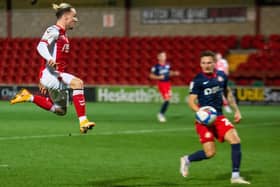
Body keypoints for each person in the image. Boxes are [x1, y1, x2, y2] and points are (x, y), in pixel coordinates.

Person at [10, 3, 95, 134]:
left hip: (54, 75)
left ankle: (29, 97)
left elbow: (45, 56)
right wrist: (50, 60)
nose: (75, 20)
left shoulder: (63, 34)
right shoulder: (53, 30)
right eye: (74, 17)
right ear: (66, 17)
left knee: (61, 111)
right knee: (78, 83)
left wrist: (41, 74)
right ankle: (83, 122)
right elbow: (41, 46)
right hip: (53, 75)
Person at [180, 50, 250, 184]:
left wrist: (237, 110)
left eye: (209, 62)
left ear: (214, 63)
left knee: (235, 140)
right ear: (200, 64)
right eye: (203, 63)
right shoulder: (197, 80)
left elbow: (228, 93)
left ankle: (235, 176)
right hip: (203, 121)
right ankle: (187, 159)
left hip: (218, 117)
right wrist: (201, 112)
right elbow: (191, 101)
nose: (206, 65)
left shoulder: (222, 76)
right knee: (210, 153)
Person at [149, 51, 179, 122]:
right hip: (161, 84)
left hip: (168, 83)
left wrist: (174, 73)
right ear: (158, 57)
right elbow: (151, 76)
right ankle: (160, 114)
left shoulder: (167, 65)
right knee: (167, 99)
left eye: (164, 56)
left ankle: (161, 113)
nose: (164, 57)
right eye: (162, 56)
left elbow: (168, 73)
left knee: (168, 99)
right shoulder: (156, 67)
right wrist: (159, 77)